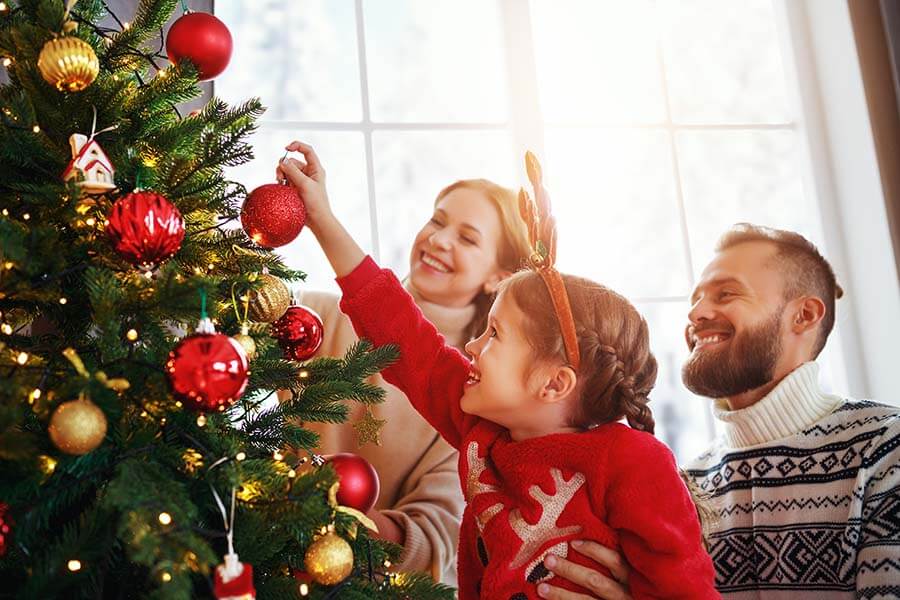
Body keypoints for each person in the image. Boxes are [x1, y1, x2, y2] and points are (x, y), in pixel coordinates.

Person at [278, 142, 718, 599]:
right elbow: (403, 336)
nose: (471, 347)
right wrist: (322, 219)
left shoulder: (633, 463)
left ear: (553, 383)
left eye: (495, 336)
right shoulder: (480, 429)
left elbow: (686, 589)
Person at [541, 224, 900, 599]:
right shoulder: (684, 486)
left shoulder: (886, 451)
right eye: (696, 299)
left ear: (804, 315)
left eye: (726, 294)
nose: (696, 313)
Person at [278, 141, 533, 585]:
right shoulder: (316, 319)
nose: (438, 239)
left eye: (467, 237)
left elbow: (435, 540)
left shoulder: (476, 391)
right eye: (437, 219)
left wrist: (333, 523)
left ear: (499, 277)